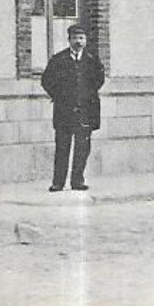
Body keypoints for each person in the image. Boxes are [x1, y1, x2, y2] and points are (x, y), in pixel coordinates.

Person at [40, 24, 105, 192]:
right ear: (69, 40)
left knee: (82, 147)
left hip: (86, 111)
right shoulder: (58, 60)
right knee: (62, 146)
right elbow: (46, 81)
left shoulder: (92, 60)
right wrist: (60, 96)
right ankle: (58, 182)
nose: (79, 42)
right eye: (75, 38)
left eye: (82, 38)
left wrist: (87, 95)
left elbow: (99, 80)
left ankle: (77, 180)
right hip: (64, 111)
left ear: (86, 40)